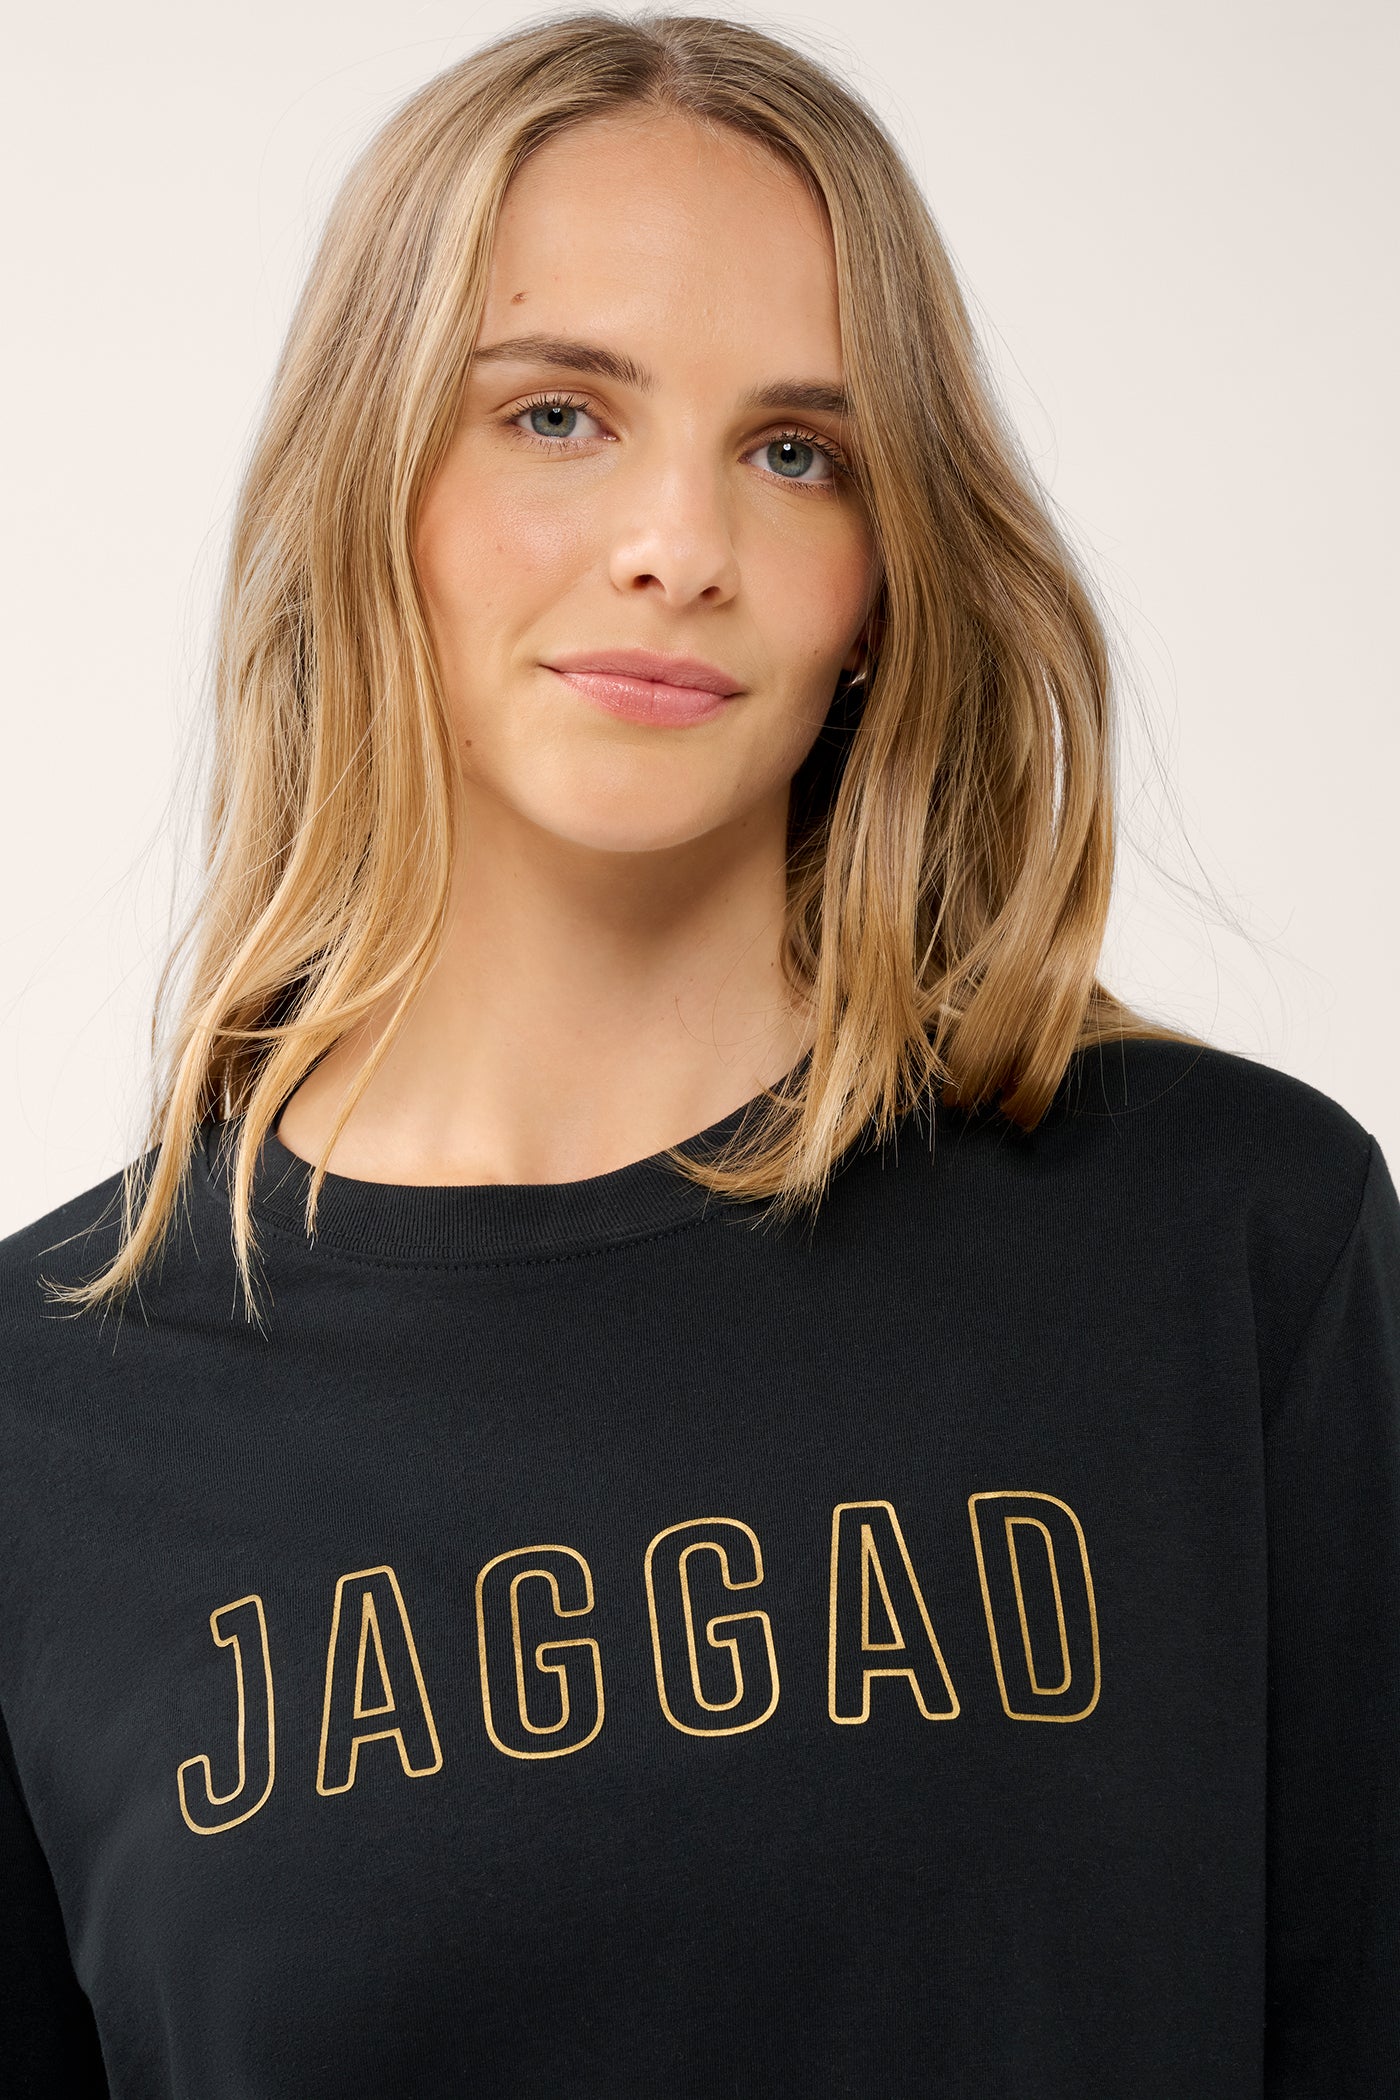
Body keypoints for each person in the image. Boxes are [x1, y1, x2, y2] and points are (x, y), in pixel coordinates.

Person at [1, 11, 1396, 2096]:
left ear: (884, 578)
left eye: (797, 450)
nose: (680, 544)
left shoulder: (1228, 1243)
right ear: (371, 485)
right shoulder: (47, 1422)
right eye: (557, 414)